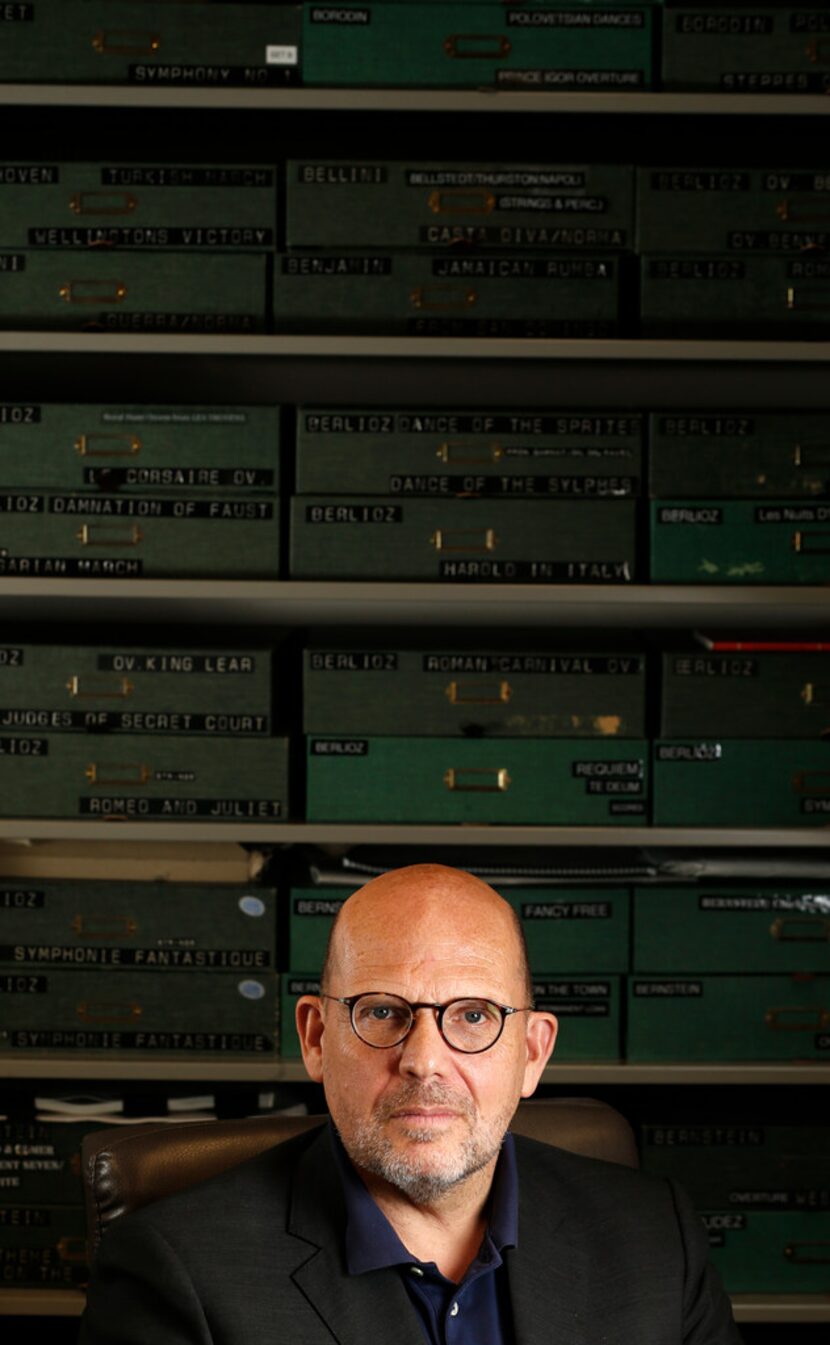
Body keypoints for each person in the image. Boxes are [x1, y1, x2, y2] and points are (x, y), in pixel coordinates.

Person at [80, 863, 741, 1344]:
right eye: (383, 1010)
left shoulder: (658, 1239)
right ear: (315, 1038)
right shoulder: (177, 1273)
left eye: (475, 1014)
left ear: (533, 1053)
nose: (424, 1058)